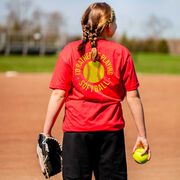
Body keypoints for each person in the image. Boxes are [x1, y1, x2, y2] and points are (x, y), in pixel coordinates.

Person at [42, 2, 151, 180]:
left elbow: (58, 94)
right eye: (115, 22)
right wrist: (142, 135)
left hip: (76, 133)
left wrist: (46, 132)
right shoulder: (121, 53)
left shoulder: (69, 51)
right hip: (110, 134)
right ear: (108, 27)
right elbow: (133, 97)